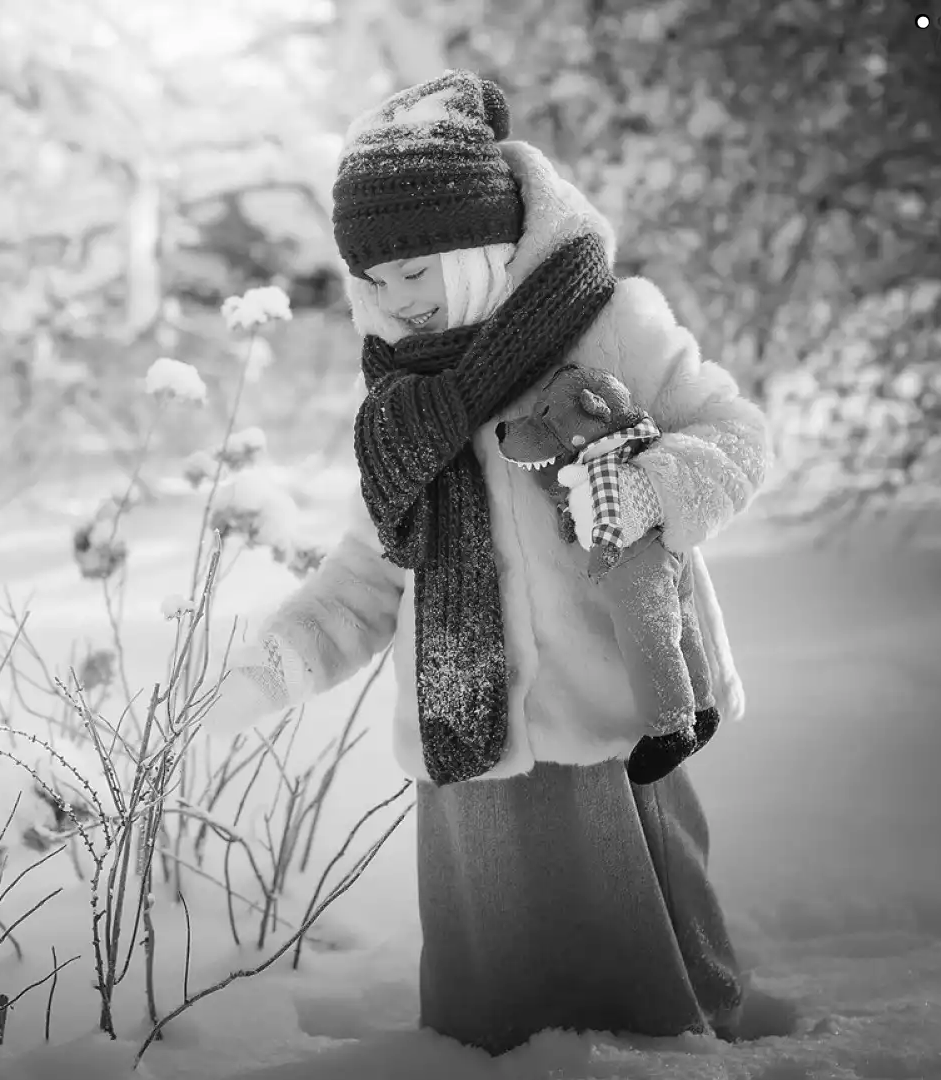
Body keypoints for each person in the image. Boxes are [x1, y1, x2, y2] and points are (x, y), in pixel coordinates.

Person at [198, 70, 771, 1055]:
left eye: (415, 270)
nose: (393, 299)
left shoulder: (612, 324)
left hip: (617, 719)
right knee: (496, 1019)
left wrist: (644, 491)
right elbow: (369, 577)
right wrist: (272, 667)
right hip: (473, 736)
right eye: (370, 281)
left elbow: (738, 439)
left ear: (482, 243)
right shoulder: (404, 415)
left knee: (652, 977)